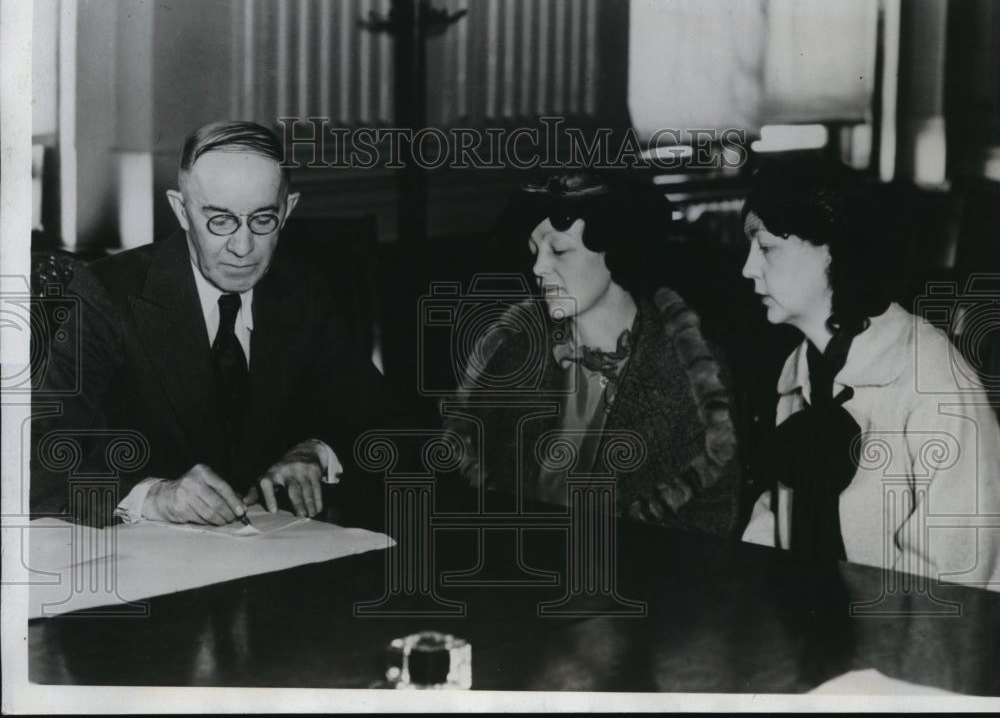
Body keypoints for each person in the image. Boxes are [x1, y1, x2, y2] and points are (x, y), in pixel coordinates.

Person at [31, 121, 407, 527]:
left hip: (274, 558)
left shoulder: (300, 291)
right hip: (144, 568)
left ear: (289, 209)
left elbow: (388, 424)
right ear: (181, 210)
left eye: (264, 220)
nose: (243, 248)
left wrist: (316, 451)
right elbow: (30, 461)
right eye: (220, 220)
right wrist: (152, 496)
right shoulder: (109, 294)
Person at [740, 156, 1000, 588]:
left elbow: (957, 574)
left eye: (766, 248)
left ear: (835, 252)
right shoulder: (799, 369)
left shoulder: (934, 379)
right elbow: (776, 517)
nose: (748, 268)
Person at [445, 172, 740, 537]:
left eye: (559, 250)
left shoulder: (690, 371)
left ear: (616, 250)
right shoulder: (512, 357)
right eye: (534, 251)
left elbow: (711, 524)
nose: (538, 268)